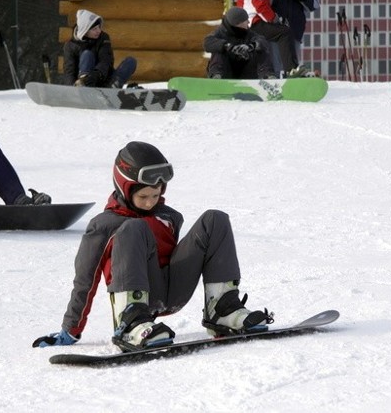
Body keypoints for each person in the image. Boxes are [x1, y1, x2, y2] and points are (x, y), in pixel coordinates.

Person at [33, 141, 272, 351]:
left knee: (215, 219)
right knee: (134, 227)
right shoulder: (104, 226)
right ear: (125, 190)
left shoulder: (167, 217)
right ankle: (131, 323)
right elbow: (85, 281)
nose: (150, 203)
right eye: (143, 197)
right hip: (136, 298)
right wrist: (70, 330)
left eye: (155, 196)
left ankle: (222, 310)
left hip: (171, 289)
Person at [62, 9, 137, 88]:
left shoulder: (103, 38)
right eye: (94, 29)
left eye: (99, 27)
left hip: (104, 79)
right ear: (85, 30)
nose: (99, 31)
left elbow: (106, 60)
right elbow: (69, 72)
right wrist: (71, 90)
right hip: (83, 83)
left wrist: (96, 74)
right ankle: (83, 85)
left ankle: (112, 88)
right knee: (87, 54)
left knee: (131, 62)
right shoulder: (70, 46)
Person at [203, 7, 276, 80]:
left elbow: (262, 41)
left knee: (261, 48)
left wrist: (251, 46)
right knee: (218, 49)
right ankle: (216, 77)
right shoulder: (221, 32)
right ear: (238, 23)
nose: (248, 22)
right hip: (227, 72)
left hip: (246, 72)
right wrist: (228, 47)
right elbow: (207, 42)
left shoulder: (248, 32)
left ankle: (267, 76)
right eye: (246, 20)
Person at [242, 0, 305, 77]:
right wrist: (274, 18)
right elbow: (260, 6)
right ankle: (291, 69)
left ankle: (270, 72)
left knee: (279, 34)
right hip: (253, 21)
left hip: (251, 20)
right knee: (284, 33)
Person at [269, 0, 320, 74]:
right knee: (275, 68)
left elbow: (314, 5)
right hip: (274, 32)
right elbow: (261, 4)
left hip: (294, 33)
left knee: (292, 70)